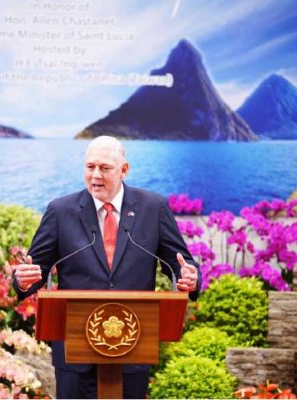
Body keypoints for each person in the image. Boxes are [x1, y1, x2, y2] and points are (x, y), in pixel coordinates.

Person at [13, 135, 201, 399]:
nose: (95, 176)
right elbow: (36, 268)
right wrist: (23, 279)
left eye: (105, 168)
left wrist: (190, 276)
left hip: (133, 348)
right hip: (74, 353)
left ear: (124, 170)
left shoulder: (153, 208)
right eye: (90, 167)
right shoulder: (60, 210)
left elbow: (180, 262)